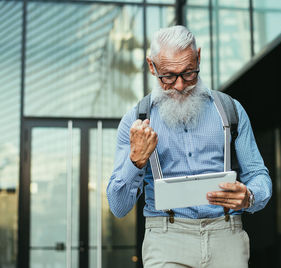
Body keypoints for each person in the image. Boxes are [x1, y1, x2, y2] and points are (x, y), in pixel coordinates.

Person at [107, 25, 272, 268]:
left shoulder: (230, 110)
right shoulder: (135, 122)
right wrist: (135, 162)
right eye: (168, 76)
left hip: (226, 235)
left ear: (199, 58)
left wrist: (249, 196)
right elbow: (118, 207)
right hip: (166, 238)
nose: (180, 85)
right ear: (152, 66)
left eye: (189, 73)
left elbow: (259, 175)